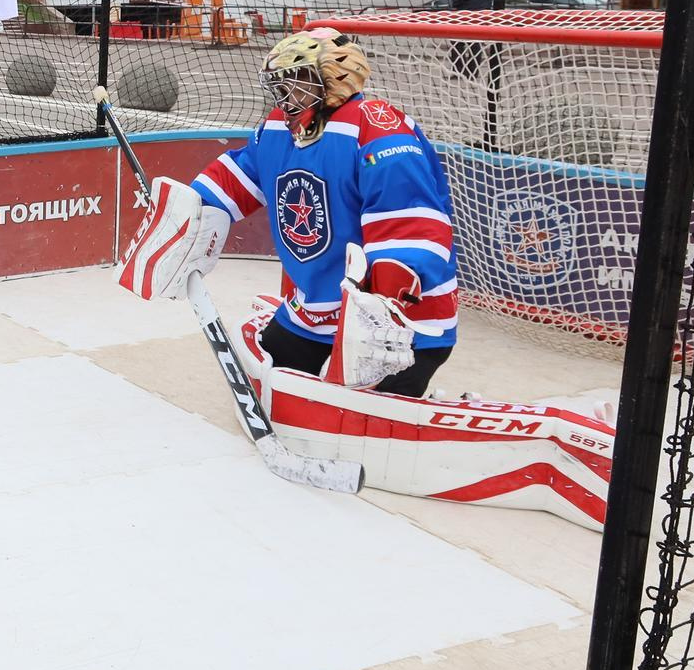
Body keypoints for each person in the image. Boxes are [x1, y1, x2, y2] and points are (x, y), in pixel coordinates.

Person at [116, 28, 458, 397]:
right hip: (317, 305)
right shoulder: (279, 127)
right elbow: (240, 175)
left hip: (400, 320)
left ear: (334, 78)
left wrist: (382, 311)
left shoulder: (378, 130)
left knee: (369, 403)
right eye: (282, 85)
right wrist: (188, 216)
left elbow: (409, 225)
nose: (285, 95)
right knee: (275, 384)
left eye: (297, 83)